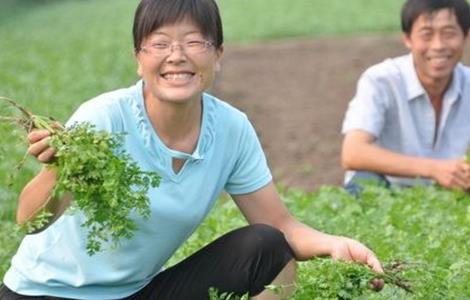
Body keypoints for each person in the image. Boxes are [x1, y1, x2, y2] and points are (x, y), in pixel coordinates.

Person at [1, 0, 383, 299]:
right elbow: (28, 221)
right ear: (139, 59)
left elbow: (281, 225)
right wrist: (58, 170)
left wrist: (335, 244)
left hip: (136, 293)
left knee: (268, 247)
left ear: (217, 54)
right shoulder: (104, 118)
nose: (177, 55)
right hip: (43, 293)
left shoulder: (232, 129)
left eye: (195, 41)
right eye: (160, 43)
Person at [341, 0, 470, 194]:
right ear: (408, 39)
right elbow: (352, 153)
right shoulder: (381, 80)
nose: (438, 45)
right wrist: (434, 169)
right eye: (426, 34)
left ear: (466, 36)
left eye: (449, 33)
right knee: (364, 183)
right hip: (388, 184)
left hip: (451, 190)